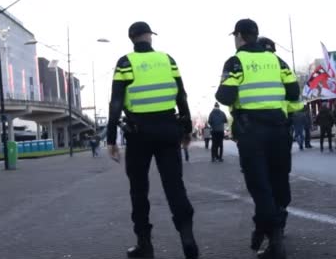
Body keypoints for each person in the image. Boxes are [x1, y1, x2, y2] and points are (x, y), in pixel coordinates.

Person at [106, 21, 199, 259]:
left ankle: (144, 244)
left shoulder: (125, 63)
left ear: (131, 38)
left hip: (139, 133)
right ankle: (187, 237)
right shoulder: (167, 60)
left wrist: (110, 139)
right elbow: (182, 95)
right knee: (174, 186)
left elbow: (116, 102)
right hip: (169, 129)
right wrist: (187, 128)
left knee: (139, 190)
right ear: (149, 36)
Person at [216, 18, 299, 259]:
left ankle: (273, 241)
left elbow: (225, 96)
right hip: (278, 129)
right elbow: (293, 91)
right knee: (278, 182)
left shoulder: (235, 62)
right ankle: (271, 231)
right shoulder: (276, 60)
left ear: (239, 36)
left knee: (260, 186)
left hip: (252, 132)